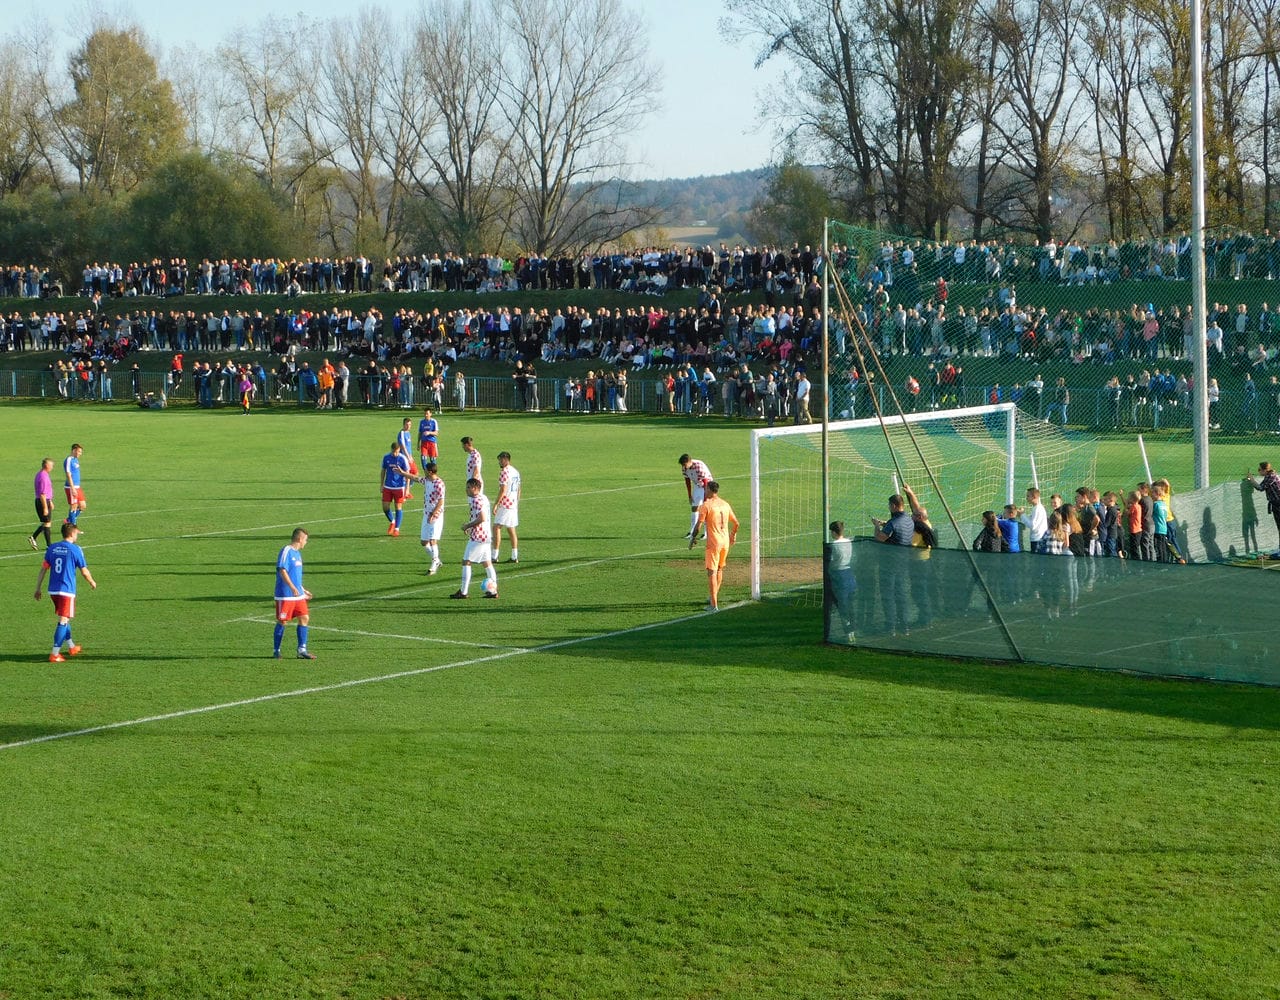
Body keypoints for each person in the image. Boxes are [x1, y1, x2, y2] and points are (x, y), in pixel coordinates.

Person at [33, 522, 96, 662]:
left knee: (65, 617)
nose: (77, 535)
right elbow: (84, 571)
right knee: (63, 619)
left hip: (53, 590)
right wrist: (92, 581)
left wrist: (38, 588)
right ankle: (55, 654)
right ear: (72, 533)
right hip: (66, 591)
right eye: (77, 533)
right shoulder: (75, 549)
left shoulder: (52, 548)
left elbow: (43, 569)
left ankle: (71, 646)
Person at [690, 480, 739, 611]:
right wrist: (733, 535)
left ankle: (713, 605)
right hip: (725, 542)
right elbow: (736, 523)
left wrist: (692, 538)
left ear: (710, 490)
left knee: (711, 572)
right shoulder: (725, 504)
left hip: (714, 543)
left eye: (706, 489)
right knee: (719, 569)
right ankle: (713, 597)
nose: (705, 491)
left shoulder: (706, 505)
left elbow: (698, 525)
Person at [273, 527, 315, 659]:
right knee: (283, 621)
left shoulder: (298, 554)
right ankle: (276, 650)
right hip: (285, 594)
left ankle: (302, 650)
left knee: (304, 618)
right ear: (300, 539)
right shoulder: (286, 551)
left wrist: (303, 589)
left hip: (298, 595)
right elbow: (282, 570)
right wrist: (292, 587)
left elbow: (295, 575)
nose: (306, 543)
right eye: (305, 540)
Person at [452, 477, 498, 599]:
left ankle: (463, 592)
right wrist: (470, 525)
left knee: (466, 561)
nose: (466, 490)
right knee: (487, 563)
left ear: (475, 488)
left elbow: (482, 518)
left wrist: (467, 525)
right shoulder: (484, 498)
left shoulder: (476, 500)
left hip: (478, 537)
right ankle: (493, 591)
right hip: (486, 535)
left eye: (468, 487)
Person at [826, 520, 857, 641]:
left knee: (842, 607)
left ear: (834, 532)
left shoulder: (834, 545)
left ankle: (849, 633)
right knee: (850, 606)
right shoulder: (848, 542)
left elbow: (831, 562)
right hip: (850, 575)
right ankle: (853, 631)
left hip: (839, 576)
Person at [492, 451, 522, 563]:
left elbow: (503, 489)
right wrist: (517, 502)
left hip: (505, 504)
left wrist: (496, 504)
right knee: (511, 529)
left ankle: (494, 556)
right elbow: (519, 489)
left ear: (505, 459)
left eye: (500, 460)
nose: (499, 462)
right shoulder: (516, 471)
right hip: (513, 504)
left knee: (496, 527)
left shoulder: (504, 472)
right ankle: (514, 556)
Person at [381, 440, 415, 536]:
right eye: (393, 452)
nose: (395, 454)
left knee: (398, 507)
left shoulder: (403, 459)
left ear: (399, 450)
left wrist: (407, 489)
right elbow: (383, 471)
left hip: (399, 487)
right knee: (385, 507)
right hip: (388, 486)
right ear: (391, 450)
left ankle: (396, 529)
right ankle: (392, 521)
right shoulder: (386, 457)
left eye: (396, 452)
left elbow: (408, 474)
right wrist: (381, 484)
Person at [418, 462, 446, 575]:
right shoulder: (427, 480)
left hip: (436, 515)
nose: (424, 471)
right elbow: (415, 478)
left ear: (430, 472)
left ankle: (434, 564)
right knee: (424, 542)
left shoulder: (439, 484)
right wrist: (402, 473)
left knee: (433, 540)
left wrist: (433, 514)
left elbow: (441, 501)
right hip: (427, 514)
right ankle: (437, 560)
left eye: (425, 469)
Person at [679, 453, 714, 540]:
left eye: (685, 464)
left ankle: (706, 532)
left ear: (689, 461)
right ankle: (692, 531)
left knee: (705, 509)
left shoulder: (698, 466)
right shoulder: (684, 468)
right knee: (694, 507)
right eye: (682, 465)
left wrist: (706, 497)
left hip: (707, 486)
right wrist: (689, 495)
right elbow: (687, 481)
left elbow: (705, 481)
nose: (683, 467)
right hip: (698, 485)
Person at [1247, 461, 1280, 546]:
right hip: (1276, 504)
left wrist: (1251, 479)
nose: (1258, 471)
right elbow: (1260, 487)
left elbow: (1260, 488)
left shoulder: (1271, 477)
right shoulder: (1269, 476)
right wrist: (1251, 480)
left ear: (1265, 470)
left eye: (1259, 469)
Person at [29, 457, 55, 550]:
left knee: (46, 522)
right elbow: (42, 494)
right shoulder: (43, 476)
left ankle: (33, 537)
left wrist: (50, 501)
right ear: (47, 465)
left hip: (45, 500)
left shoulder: (41, 474)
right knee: (47, 523)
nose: (52, 467)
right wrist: (45, 507)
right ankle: (49, 545)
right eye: (52, 465)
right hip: (42, 501)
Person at [1020, 486, 1048, 553]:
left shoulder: (1037, 508)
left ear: (1034, 497)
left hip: (1038, 540)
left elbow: (1033, 526)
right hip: (1038, 539)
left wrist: (1022, 514)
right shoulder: (1036, 508)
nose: (1026, 498)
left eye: (1028, 496)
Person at [397, 418, 417, 499]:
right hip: (404, 458)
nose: (408, 426)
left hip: (409, 456)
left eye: (410, 424)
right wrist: (408, 457)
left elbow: (409, 446)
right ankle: (405, 492)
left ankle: (406, 491)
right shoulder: (401, 433)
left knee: (414, 473)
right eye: (407, 424)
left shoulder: (408, 433)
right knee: (409, 474)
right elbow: (403, 447)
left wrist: (411, 456)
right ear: (403, 424)